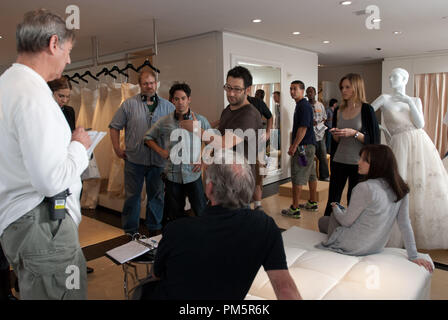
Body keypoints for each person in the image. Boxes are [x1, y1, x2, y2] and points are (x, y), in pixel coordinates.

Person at [0, 9, 91, 299]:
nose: (69, 59)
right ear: (54, 44)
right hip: (42, 224)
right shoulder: (32, 94)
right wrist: (79, 145)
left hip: (24, 223)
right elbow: (51, 180)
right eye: (68, 50)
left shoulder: (7, 85)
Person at [137, 151, 302, 300]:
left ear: (209, 189)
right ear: (248, 187)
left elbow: (156, 275)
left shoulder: (177, 230)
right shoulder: (265, 227)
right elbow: (286, 290)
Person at [317, 145, 434, 273]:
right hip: (376, 246)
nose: (358, 162)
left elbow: (346, 222)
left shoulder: (365, 188)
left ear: (378, 164)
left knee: (324, 220)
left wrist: (335, 208)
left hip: (352, 246)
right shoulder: (400, 189)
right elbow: (405, 224)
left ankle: (333, 216)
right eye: (360, 158)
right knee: (334, 218)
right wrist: (413, 256)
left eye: (364, 160)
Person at [371, 68, 448, 249]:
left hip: (419, 143)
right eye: (390, 76)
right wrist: (382, 129)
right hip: (399, 144)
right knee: (399, 182)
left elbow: (420, 123)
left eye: (395, 76)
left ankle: (421, 232)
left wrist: (409, 102)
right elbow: (367, 114)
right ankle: (395, 231)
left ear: (405, 79)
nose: (391, 79)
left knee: (421, 183)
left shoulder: (414, 100)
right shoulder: (384, 98)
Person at [109, 70, 175, 236]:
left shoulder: (168, 106)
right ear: (140, 85)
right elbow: (114, 126)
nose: (149, 86)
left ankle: (154, 229)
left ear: (156, 84)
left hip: (159, 161)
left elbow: (178, 129)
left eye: (152, 83)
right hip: (134, 160)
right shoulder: (128, 104)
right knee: (132, 197)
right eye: (145, 83)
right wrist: (117, 148)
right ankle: (131, 230)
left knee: (156, 197)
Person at [48, 76, 95, 275]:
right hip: (53, 173)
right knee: (54, 222)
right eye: (60, 96)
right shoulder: (42, 114)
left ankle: (73, 262)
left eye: (67, 96)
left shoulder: (68, 111)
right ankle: (52, 266)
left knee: (72, 220)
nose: (64, 100)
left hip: (70, 170)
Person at [144, 83, 210, 223]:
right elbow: (148, 137)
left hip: (193, 174)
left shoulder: (200, 120)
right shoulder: (165, 121)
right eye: (176, 99)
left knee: (201, 212)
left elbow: (213, 144)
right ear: (172, 100)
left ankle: (205, 240)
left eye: (183, 98)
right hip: (172, 176)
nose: (180, 102)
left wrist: (204, 161)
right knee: (175, 215)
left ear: (189, 99)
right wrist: (161, 151)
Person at [324, 73, 380, 217]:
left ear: (356, 87)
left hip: (358, 163)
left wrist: (354, 133)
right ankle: (328, 227)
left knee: (354, 200)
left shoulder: (367, 110)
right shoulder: (338, 110)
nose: (343, 90)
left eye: (347, 87)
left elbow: (374, 140)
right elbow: (337, 141)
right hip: (339, 160)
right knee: (333, 199)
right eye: (342, 87)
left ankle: (352, 231)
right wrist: (336, 134)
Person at [218, 66, 263, 208]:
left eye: (237, 89)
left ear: (248, 90)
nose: (231, 93)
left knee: (237, 224)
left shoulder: (249, 114)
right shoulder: (228, 109)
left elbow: (223, 143)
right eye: (228, 87)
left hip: (239, 182)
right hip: (224, 177)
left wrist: (195, 129)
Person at [281, 81, 317, 218]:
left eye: (295, 89)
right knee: (311, 174)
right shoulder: (302, 105)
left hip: (303, 148)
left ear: (302, 91)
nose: (292, 91)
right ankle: (312, 202)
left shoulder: (303, 106)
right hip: (309, 146)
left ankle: (295, 208)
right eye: (290, 89)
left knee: (298, 175)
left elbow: (303, 128)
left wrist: (294, 145)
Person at [306, 86, 330, 181]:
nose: (310, 94)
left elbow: (325, 117)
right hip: (310, 137)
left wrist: (321, 122)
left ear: (315, 93)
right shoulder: (305, 105)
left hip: (320, 136)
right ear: (306, 94)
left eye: (311, 92)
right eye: (308, 92)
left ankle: (324, 176)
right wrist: (310, 122)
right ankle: (311, 177)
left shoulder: (320, 105)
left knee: (323, 157)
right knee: (309, 159)